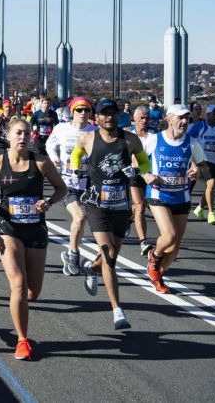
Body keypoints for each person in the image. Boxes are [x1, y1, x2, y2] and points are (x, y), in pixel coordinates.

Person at [0, 118, 67, 360]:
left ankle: (20, 305)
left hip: (36, 229)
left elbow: (62, 189)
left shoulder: (41, 163)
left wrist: (48, 201)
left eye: (27, 133)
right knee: (18, 282)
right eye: (18, 133)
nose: (23, 137)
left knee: (32, 291)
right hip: (8, 227)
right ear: (8, 136)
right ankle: (22, 340)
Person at [70, 98, 150, 327]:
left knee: (110, 256)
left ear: (118, 116)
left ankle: (91, 268)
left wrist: (136, 169)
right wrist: (77, 167)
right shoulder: (88, 138)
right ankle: (117, 310)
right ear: (97, 117)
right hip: (96, 205)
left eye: (113, 113)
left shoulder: (130, 140)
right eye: (104, 114)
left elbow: (145, 163)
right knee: (110, 254)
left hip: (121, 206)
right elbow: (76, 154)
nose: (109, 117)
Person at [142, 104, 208, 293]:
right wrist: (146, 175)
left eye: (187, 118)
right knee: (169, 236)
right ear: (169, 119)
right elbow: (137, 161)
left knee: (176, 245)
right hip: (158, 195)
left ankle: (157, 274)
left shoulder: (192, 142)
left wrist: (197, 170)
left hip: (182, 196)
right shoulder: (154, 140)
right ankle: (154, 256)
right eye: (180, 118)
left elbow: (202, 166)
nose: (184, 121)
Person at [46, 97, 97, 276]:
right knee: (80, 218)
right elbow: (50, 145)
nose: (83, 113)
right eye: (79, 110)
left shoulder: (95, 131)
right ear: (72, 112)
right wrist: (54, 158)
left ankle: (73, 253)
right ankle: (74, 254)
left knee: (90, 223)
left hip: (89, 184)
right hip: (68, 183)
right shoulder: (62, 129)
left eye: (86, 110)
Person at [187, 104, 215, 224]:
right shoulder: (199, 126)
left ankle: (199, 208)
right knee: (211, 184)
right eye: (213, 114)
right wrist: (193, 158)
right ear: (208, 114)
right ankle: (211, 213)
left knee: (211, 187)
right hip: (203, 160)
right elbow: (188, 140)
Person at [127, 106, 158, 255]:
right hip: (135, 175)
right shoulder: (129, 136)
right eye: (141, 118)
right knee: (140, 205)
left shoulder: (155, 137)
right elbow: (133, 161)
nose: (145, 121)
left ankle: (127, 218)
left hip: (151, 176)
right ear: (135, 119)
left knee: (147, 206)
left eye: (147, 118)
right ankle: (143, 242)